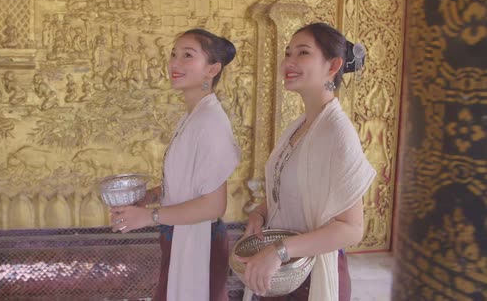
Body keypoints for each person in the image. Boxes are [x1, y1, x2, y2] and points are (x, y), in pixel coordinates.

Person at [237, 22, 376, 301]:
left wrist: (280, 250)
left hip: (308, 277)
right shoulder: (299, 126)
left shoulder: (337, 132)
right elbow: (287, 193)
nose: (289, 61)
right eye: (288, 53)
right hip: (283, 271)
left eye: (302, 53)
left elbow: (351, 229)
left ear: (333, 65)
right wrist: (260, 214)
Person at [110, 28, 240, 301]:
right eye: (173, 55)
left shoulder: (209, 122)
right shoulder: (193, 117)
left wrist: (149, 216)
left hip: (199, 241)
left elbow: (214, 205)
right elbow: (186, 183)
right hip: (180, 235)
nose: (175, 63)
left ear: (212, 69)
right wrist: (149, 197)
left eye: (187, 55)